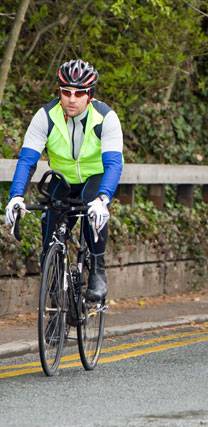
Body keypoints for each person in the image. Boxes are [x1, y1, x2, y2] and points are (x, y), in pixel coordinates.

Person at [4, 59, 123, 302]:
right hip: (62, 179)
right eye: (66, 92)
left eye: (79, 93)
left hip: (95, 177)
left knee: (93, 215)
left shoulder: (106, 118)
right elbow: (27, 160)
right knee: (49, 233)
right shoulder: (45, 116)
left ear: (90, 95)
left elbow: (113, 163)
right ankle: (56, 303)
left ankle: (97, 270)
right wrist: (16, 196)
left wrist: (103, 199)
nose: (71, 98)